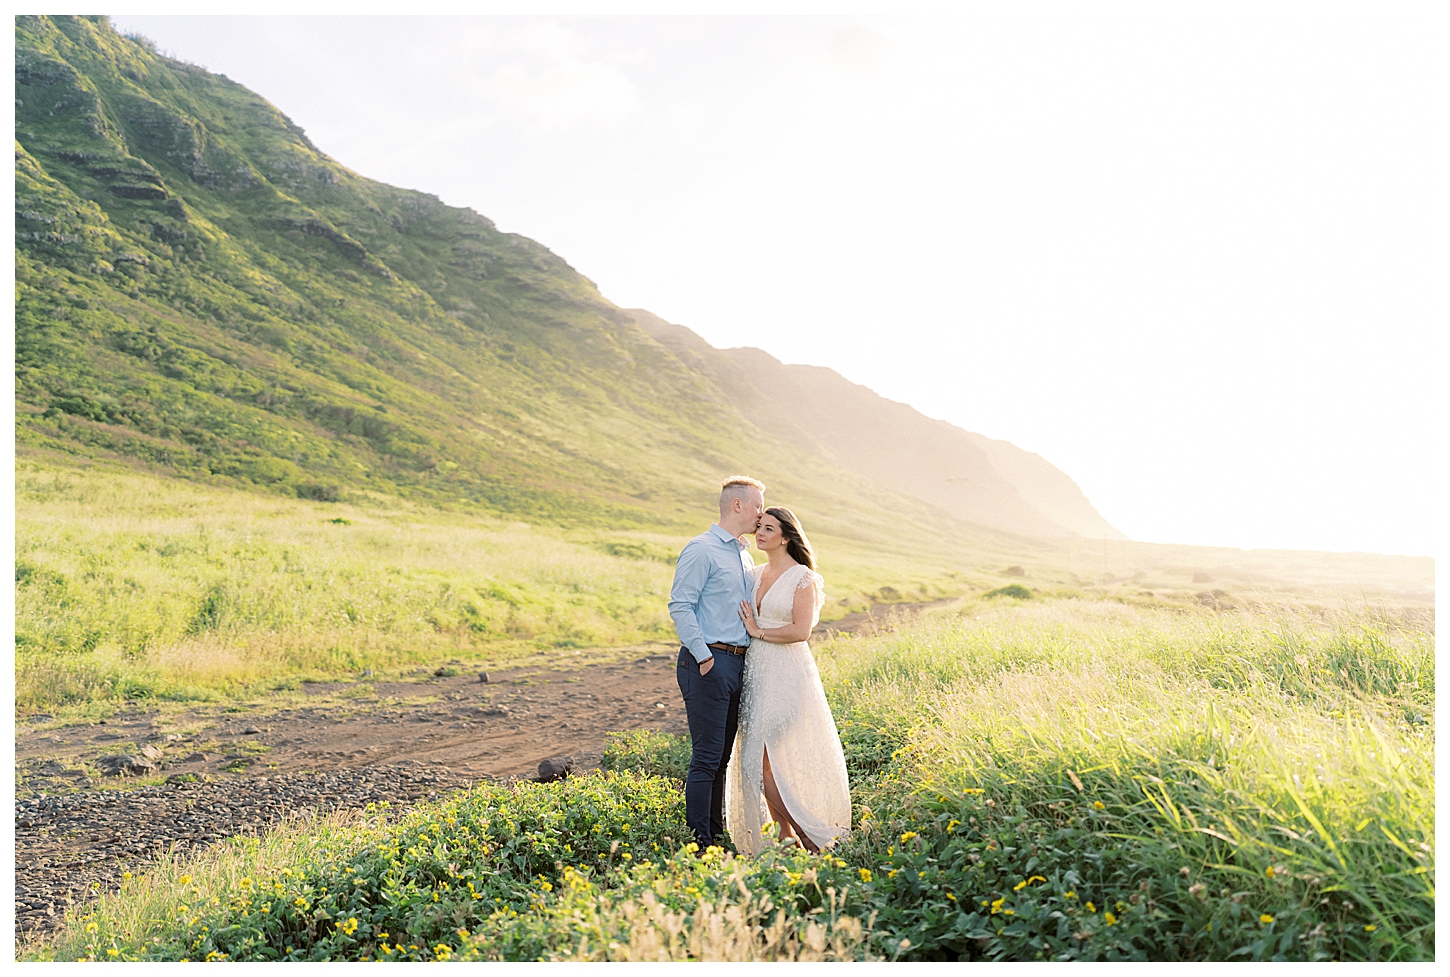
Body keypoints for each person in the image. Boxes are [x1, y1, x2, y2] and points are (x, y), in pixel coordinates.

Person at [725, 506, 851, 856]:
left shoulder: (802, 578)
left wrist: (757, 631)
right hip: (754, 676)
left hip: (786, 675)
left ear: (785, 536)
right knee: (758, 762)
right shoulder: (754, 574)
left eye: (768, 528)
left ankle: (807, 834)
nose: (760, 533)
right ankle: (785, 837)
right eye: (759, 527)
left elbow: (800, 631)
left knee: (762, 761)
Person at [668, 475, 766, 848]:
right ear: (737, 505)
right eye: (758, 505)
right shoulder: (701, 548)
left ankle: (716, 835)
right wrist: (705, 656)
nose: (761, 512)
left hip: (737, 663)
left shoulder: (744, 553)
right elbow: (680, 605)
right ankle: (698, 842)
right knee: (706, 756)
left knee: (722, 758)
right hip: (707, 661)